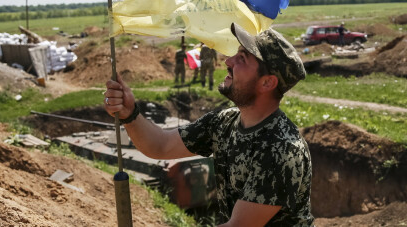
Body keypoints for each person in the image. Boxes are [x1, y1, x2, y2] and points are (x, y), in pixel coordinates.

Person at [104, 23, 313, 226]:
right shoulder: (224, 122)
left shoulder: (282, 149)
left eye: (241, 58)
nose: (228, 61)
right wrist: (129, 113)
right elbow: (161, 145)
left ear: (267, 82)